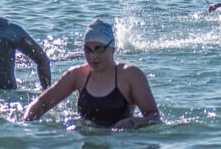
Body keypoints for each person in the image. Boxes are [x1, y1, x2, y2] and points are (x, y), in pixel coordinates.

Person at [24, 19, 160, 129]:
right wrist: (25, 129)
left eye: (99, 49)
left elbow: (153, 116)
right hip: (88, 145)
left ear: (112, 49)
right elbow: (41, 104)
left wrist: (134, 122)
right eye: (87, 50)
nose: (93, 56)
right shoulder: (77, 75)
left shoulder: (130, 75)